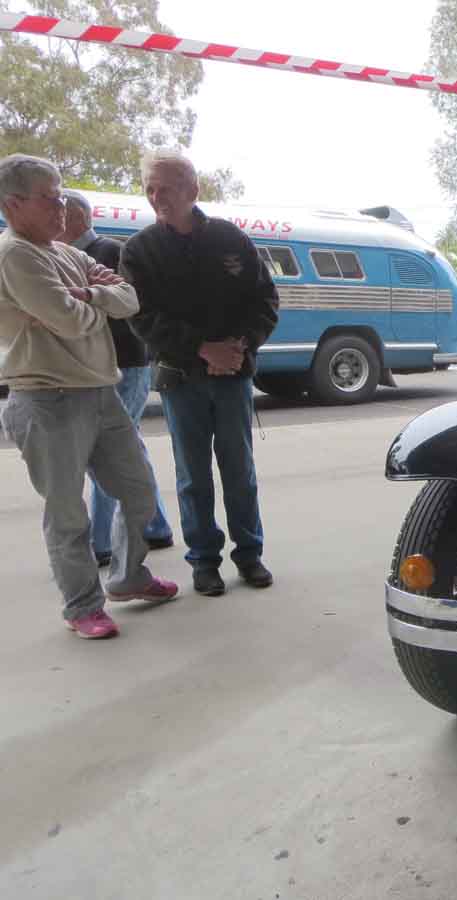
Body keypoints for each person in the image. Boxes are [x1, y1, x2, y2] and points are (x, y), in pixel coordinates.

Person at [0, 154, 178, 639]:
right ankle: (82, 606)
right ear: (13, 205)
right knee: (68, 513)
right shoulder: (15, 255)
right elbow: (70, 321)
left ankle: (129, 576)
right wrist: (87, 301)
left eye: (61, 195)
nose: (61, 206)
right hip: (47, 397)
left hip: (101, 392)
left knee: (138, 490)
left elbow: (129, 299)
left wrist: (89, 295)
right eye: (48, 197)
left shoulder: (65, 253)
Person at [121, 150, 279, 597]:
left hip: (233, 374)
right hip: (180, 379)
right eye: (150, 189)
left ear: (193, 190)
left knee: (239, 470)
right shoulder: (139, 251)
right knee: (193, 476)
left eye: (166, 188)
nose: (157, 197)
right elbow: (141, 317)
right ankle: (204, 561)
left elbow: (265, 300)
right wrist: (201, 348)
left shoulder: (231, 239)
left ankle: (249, 554)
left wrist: (240, 345)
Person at [60, 189, 175, 566]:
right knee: (129, 448)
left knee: (107, 452)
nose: (55, 221)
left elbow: (126, 307)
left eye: (60, 212)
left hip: (123, 364)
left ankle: (100, 543)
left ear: (78, 218)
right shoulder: (73, 254)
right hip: (108, 365)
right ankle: (155, 527)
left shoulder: (107, 251)